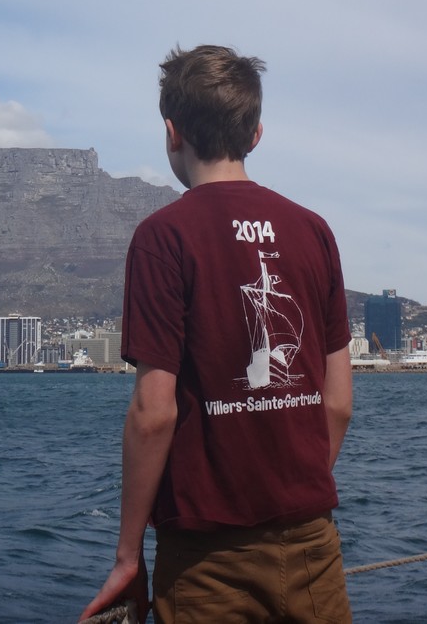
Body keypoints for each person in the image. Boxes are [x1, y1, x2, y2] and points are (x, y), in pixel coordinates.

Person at [80, 45, 353, 623]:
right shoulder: (315, 231)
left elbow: (154, 412)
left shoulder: (163, 237)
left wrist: (128, 555)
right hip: (313, 544)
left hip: (208, 558)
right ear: (256, 134)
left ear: (171, 133)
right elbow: (338, 404)